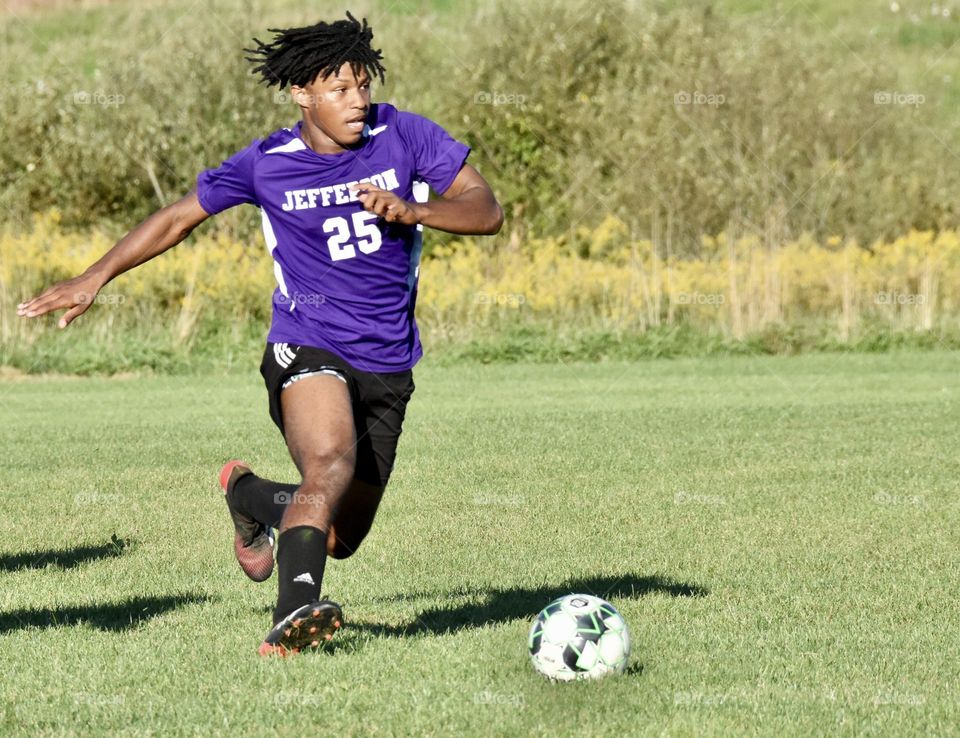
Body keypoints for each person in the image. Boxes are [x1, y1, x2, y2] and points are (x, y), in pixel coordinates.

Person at [16, 11, 503, 656]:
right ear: (302, 94)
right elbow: (177, 218)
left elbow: (486, 209)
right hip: (305, 338)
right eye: (339, 89)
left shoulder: (405, 135)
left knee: (338, 536)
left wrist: (417, 209)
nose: (357, 101)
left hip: (387, 358)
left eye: (362, 85)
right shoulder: (266, 163)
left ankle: (245, 494)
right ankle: (293, 620)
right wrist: (94, 276)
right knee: (328, 461)